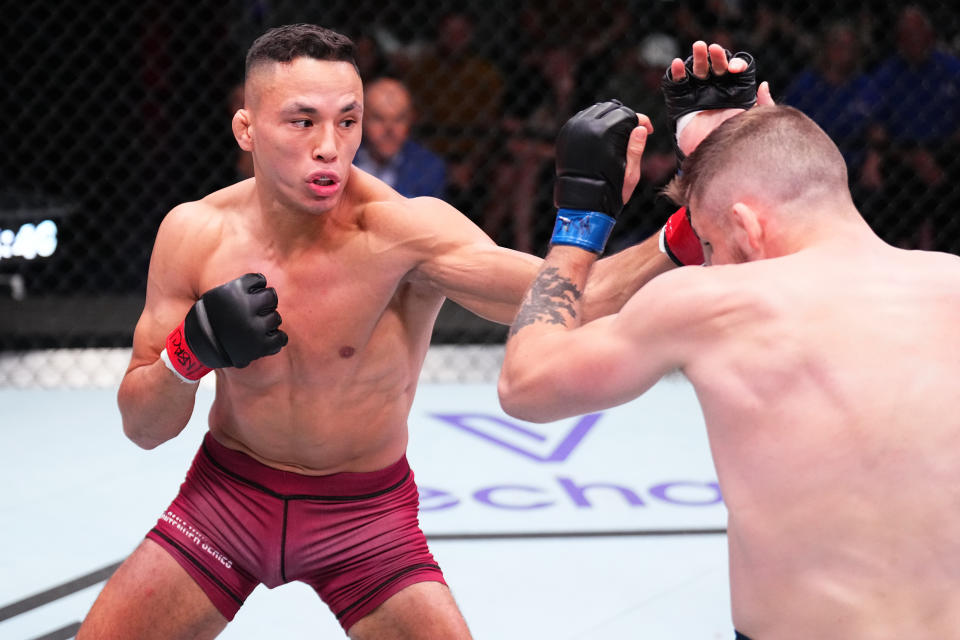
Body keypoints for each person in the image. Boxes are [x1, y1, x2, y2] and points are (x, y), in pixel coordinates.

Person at [76, 23, 696, 639]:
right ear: (246, 129)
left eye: (348, 121)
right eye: (302, 122)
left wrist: (679, 237)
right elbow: (143, 427)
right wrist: (190, 353)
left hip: (365, 521)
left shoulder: (403, 233)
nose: (330, 146)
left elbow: (572, 303)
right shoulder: (194, 233)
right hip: (225, 502)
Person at [499, 106, 960, 639]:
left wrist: (579, 224)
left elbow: (525, 384)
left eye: (711, 245)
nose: (711, 266)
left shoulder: (715, 302)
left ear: (745, 224)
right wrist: (755, 131)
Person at [353, 77, 446, 199]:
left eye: (399, 119)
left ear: (411, 120)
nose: (390, 129)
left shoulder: (429, 168)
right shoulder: (342, 161)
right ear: (361, 118)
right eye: (378, 118)